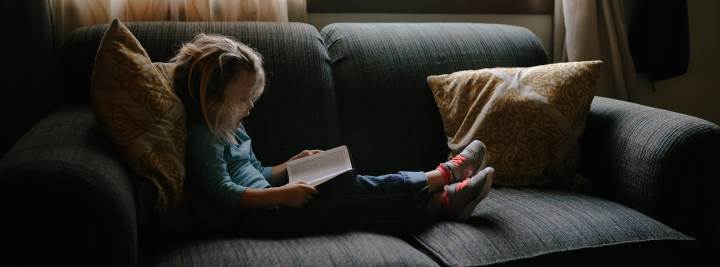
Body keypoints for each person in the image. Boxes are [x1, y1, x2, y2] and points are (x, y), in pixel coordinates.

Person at [169, 33, 495, 234]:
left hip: (271, 203)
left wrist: (288, 165)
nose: (250, 108)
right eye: (242, 100)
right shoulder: (204, 136)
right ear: (210, 99)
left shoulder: (231, 127)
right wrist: (282, 194)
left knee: (346, 185)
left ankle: (439, 202)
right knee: (345, 192)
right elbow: (225, 193)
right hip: (259, 219)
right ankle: (441, 178)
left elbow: (256, 173)